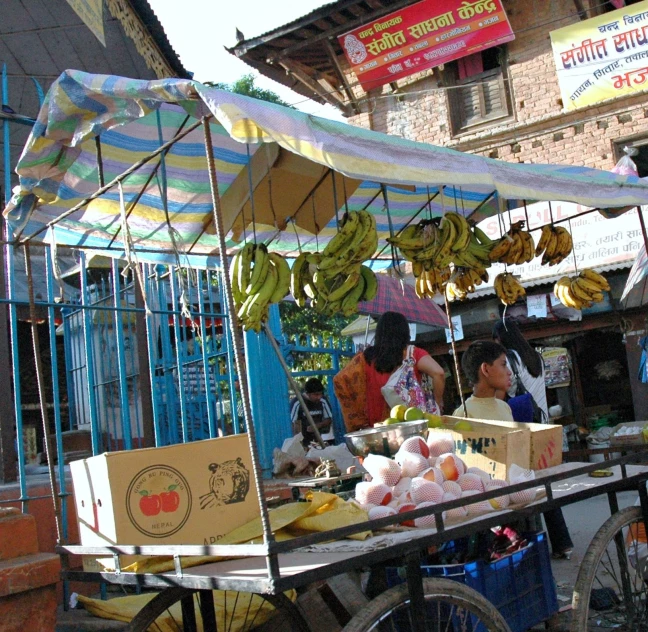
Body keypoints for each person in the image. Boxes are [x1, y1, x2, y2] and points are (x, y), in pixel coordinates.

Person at [492, 319, 574, 560]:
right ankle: (563, 542)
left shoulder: (510, 360)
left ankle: (529, 546)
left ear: (500, 339)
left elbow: (503, 393)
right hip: (544, 427)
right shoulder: (535, 357)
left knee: (526, 489)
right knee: (545, 487)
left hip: (523, 430)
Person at [334, 311, 446, 429]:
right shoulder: (412, 354)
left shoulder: (364, 358)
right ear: (405, 332)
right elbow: (439, 373)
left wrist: (358, 419)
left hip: (378, 428)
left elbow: (340, 380)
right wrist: (437, 402)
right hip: (410, 425)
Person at [451, 340, 514, 419]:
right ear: (485, 369)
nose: (509, 372)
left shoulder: (505, 407)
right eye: (503, 364)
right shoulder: (464, 414)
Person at [289, 377, 334, 448]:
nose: (319, 397)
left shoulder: (323, 401)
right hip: (302, 441)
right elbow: (293, 423)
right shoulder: (297, 403)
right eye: (316, 395)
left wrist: (317, 426)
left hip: (319, 440)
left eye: (320, 394)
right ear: (308, 394)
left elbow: (328, 419)